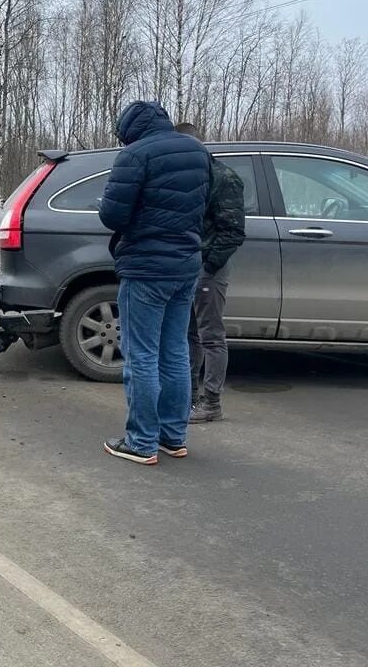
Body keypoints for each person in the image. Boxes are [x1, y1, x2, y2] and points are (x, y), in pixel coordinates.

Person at [98, 101, 211, 465]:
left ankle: (141, 442)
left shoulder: (135, 155)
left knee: (141, 356)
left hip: (146, 268)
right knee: (175, 351)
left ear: (130, 130)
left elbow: (113, 215)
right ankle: (172, 436)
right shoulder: (197, 150)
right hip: (186, 265)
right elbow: (205, 206)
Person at [174, 122, 246, 423]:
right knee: (189, 333)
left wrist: (209, 266)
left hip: (208, 267)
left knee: (210, 335)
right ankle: (188, 398)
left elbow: (233, 231)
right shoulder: (187, 177)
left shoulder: (224, 178)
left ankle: (211, 401)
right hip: (187, 264)